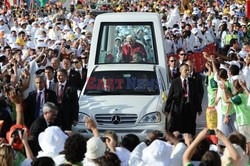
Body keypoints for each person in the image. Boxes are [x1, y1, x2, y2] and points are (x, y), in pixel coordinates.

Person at [165, 64, 200, 136]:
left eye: (188, 70)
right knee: (178, 128)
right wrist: (167, 109)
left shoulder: (192, 81)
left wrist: (199, 108)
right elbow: (170, 97)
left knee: (189, 128)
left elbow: (196, 96)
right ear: (180, 71)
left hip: (189, 108)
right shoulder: (175, 82)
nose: (187, 72)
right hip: (178, 109)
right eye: (185, 70)